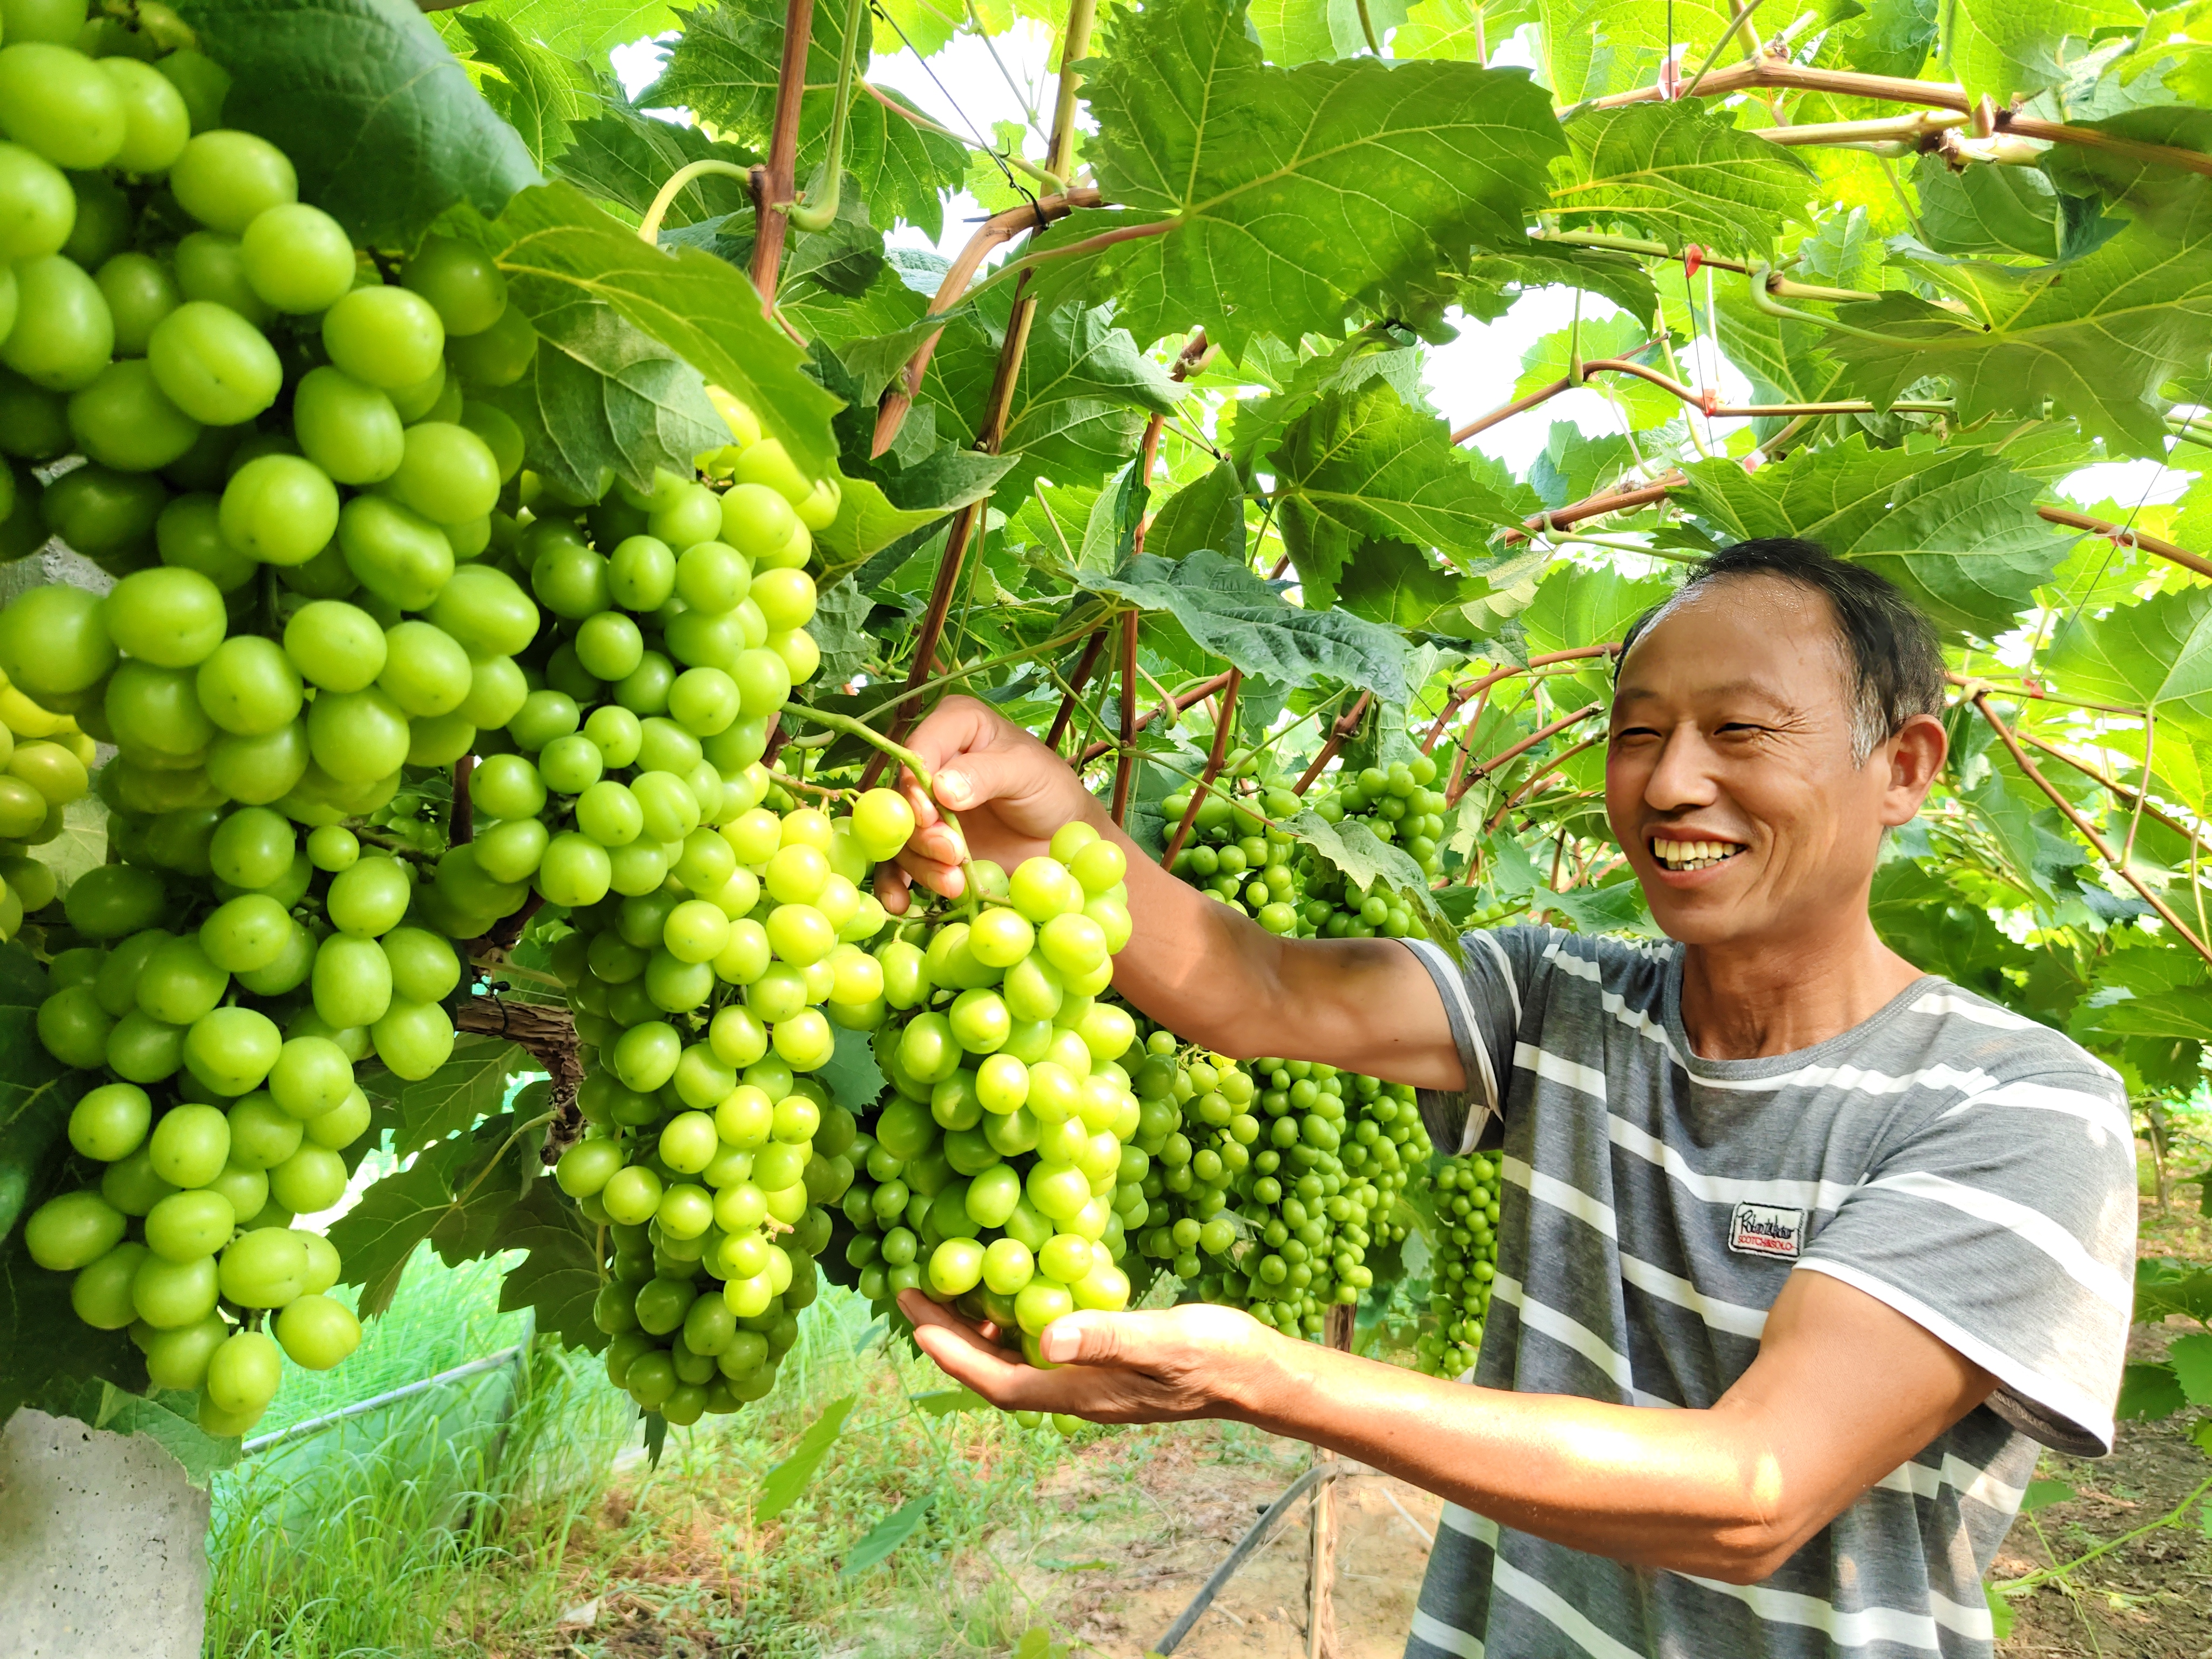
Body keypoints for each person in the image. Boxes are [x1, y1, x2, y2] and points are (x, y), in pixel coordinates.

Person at [874, 538, 2136, 1659]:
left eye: (1738, 732)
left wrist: (1262, 1379)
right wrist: (1049, 825)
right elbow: (1250, 987)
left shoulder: (2019, 1110)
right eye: (1635, 733)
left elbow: (1752, 1490)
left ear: (1905, 767)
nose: (1669, 782)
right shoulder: (1559, 996)